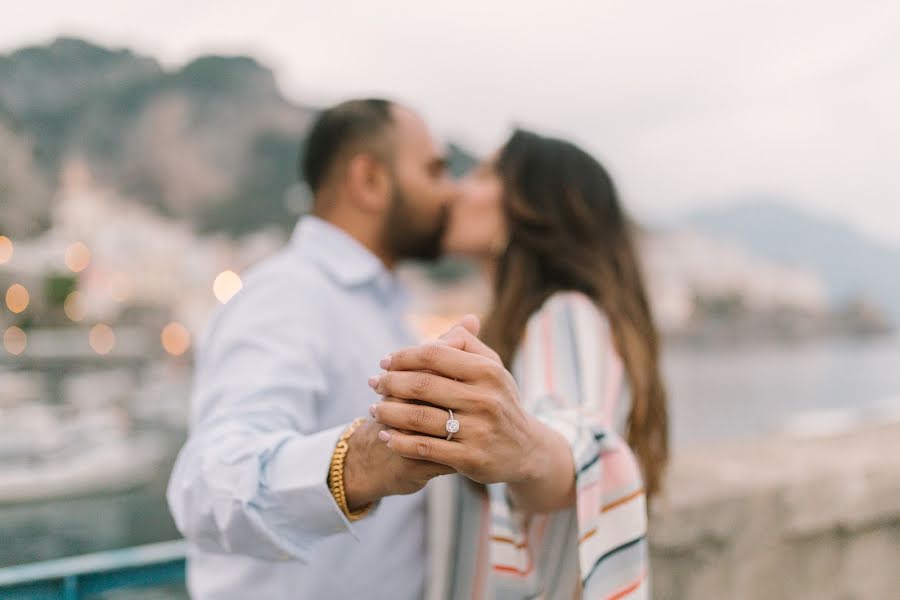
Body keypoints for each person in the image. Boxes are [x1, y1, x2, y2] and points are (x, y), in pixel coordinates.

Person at [167, 98, 462, 599]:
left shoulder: (381, 306)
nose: (449, 192)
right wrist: (364, 462)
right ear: (369, 181)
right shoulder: (288, 295)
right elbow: (209, 482)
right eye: (434, 171)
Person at [369, 129, 669, 598]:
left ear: (529, 208)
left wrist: (523, 450)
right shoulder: (530, 320)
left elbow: (579, 445)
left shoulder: (565, 314)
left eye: (485, 174)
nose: (457, 189)